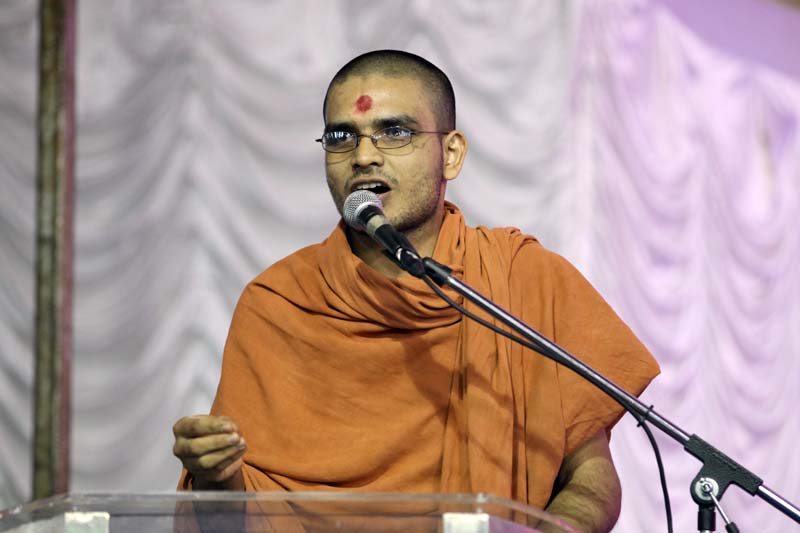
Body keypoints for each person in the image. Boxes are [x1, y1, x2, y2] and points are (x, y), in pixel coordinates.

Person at [172, 50, 659, 533]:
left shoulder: (521, 282)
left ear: (451, 154)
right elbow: (236, 516)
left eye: (395, 132)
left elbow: (591, 480)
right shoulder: (280, 304)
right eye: (342, 137)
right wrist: (217, 477)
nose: (363, 156)